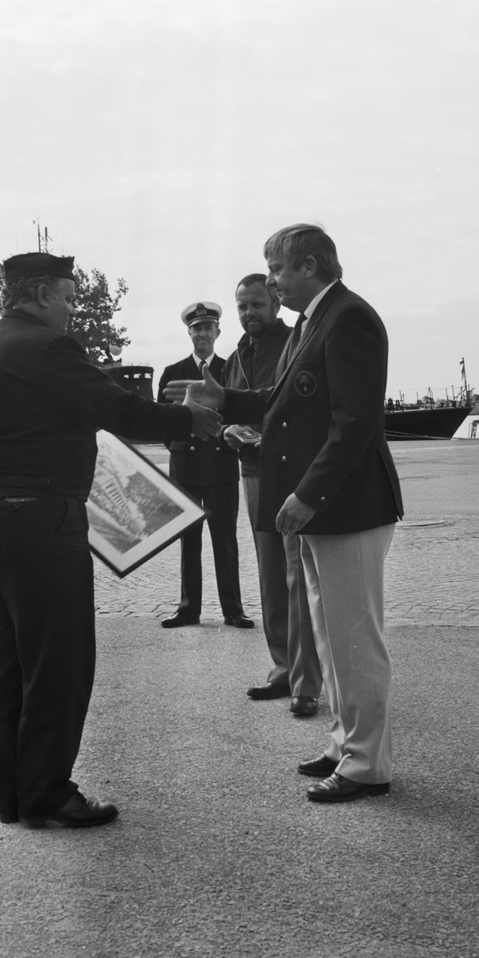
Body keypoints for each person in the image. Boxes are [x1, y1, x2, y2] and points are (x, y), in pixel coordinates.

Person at [0, 252, 221, 828]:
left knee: (11, 660)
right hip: (37, 516)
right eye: (70, 297)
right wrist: (186, 420)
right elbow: (115, 408)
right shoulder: (48, 347)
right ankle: (49, 792)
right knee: (59, 661)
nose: (74, 310)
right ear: (42, 295)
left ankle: (17, 797)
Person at [169, 224, 404, 803]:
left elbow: (354, 424)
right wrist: (226, 399)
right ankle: (344, 741)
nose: (272, 282)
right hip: (326, 508)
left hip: (346, 506)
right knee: (328, 634)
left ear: (309, 265)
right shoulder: (314, 320)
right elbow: (284, 402)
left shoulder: (349, 318)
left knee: (354, 638)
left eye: (276, 270)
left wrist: (307, 494)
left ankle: (367, 764)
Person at [222, 274, 322, 717]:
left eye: (257, 305)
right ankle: (281, 667)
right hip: (251, 470)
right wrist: (227, 430)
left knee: (297, 573)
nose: (249, 314)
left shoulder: (295, 342)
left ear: (275, 304)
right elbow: (223, 409)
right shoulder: (235, 357)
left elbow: (303, 407)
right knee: (269, 572)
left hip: (288, 470)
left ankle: (305, 681)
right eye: (242, 307)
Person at [157, 301, 252, 629]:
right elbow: (162, 423)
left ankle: (233, 610)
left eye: (207, 328)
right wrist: (178, 440)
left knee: (225, 539)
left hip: (220, 467)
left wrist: (235, 434)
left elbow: (243, 415)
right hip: (185, 468)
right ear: (189, 332)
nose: (202, 333)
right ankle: (188, 609)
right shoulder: (172, 373)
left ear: (217, 332)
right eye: (196, 328)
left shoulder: (230, 370)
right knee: (188, 539)